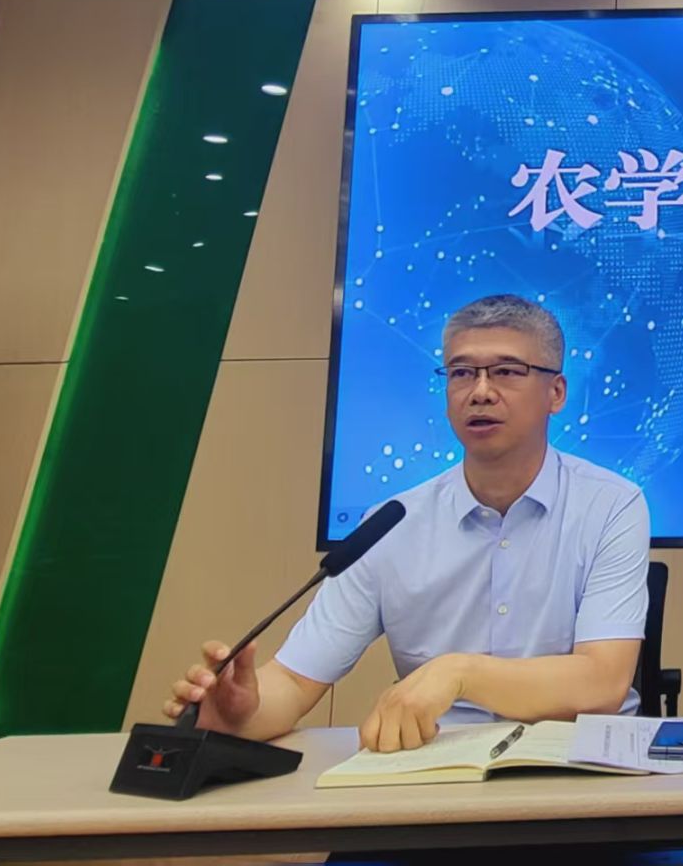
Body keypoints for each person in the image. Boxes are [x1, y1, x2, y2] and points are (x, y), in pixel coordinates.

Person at [165, 295, 651, 752]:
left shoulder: (610, 505)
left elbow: (603, 683)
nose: (481, 392)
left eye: (506, 371)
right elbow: (294, 681)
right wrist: (242, 713)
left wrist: (459, 674)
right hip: (437, 769)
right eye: (461, 373)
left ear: (556, 392)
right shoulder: (391, 524)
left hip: (578, 768)